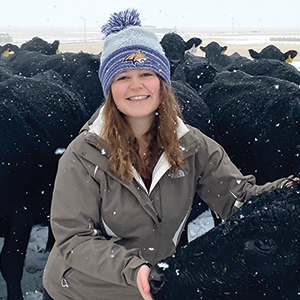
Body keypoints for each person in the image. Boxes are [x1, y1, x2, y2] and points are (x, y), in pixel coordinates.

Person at [42, 8, 299, 300]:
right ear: (109, 87)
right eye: (123, 76)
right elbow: (74, 239)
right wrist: (135, 271)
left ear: (162, 81)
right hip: (82, 292)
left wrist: (285, 190)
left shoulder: (192, 145)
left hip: (157, 286)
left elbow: (239, 199)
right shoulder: (83, 155)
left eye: (146, 74)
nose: (136, 85)